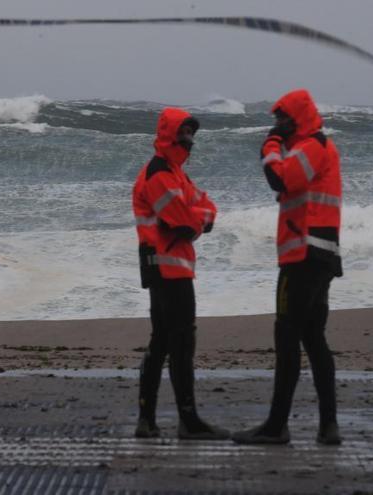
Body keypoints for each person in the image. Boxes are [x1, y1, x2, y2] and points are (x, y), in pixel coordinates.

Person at [232, 89, 343, 446]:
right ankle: (328, 426)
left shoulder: (313, 146)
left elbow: (279, 180)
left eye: (282, 119)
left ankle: (277, 426)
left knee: (287, 337)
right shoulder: (311, 147)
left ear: (298, 118)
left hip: (303, 258)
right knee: (313, 338)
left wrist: (268, 146)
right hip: (319, 256)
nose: (277, 125)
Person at [131, 107, 229, 440]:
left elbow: (207, 208)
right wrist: (197, 220)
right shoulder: (159, 173)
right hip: (166, 268)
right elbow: (184, 220)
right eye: (184, 133)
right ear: (170, 133)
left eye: (191, 133)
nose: (189, 140)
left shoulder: (175, 173)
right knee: (178, 342)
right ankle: (185, 420)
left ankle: (149, 419)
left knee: (163, 341)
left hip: (172, 266)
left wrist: (197, 219)